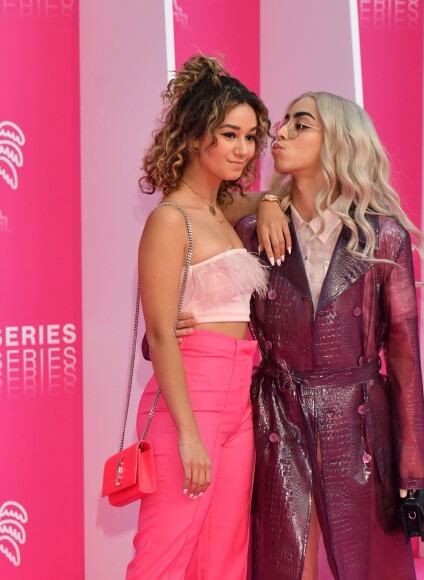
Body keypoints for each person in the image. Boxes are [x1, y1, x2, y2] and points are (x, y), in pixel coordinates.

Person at [236, 92, 424, 580]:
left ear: (339, 142)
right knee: (283, 557)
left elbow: (404, 358)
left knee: (364, 561)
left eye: (301, 125)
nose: (278, 133)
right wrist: (265, 203)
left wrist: (413, 468)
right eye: (282, 122)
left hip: (357, 416)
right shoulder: (251, 233)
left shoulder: (383, 236)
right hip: (276, 410)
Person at [126, 54, 270, 580]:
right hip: (193, 395)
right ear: (192, 137)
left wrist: (270, 202)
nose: (243, 148)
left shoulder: (219, 210)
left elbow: (256, 198)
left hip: (239, 398)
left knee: (223, 556)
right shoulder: (170, 219)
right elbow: (162, 333)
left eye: (251, 137)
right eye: (229, 134)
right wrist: (188, 432)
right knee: (164, 554)